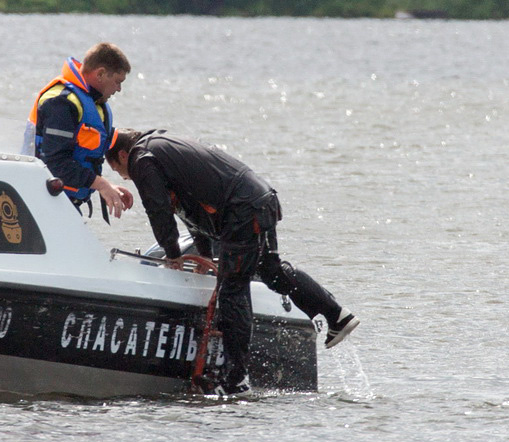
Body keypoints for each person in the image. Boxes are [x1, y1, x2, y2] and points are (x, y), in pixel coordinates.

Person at [106, 128, 359, 395]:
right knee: (271, 272)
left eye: (118, 169)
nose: (125, 177)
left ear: (122, 154)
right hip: (259, 199)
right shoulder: (160, 145)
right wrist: (203, 255)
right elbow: (192, 207)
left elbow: (158, 209)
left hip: (242, 209)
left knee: (232, 289)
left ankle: (236, 380)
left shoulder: (141, 158)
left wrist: (172, 253)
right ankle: (336, 314)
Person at [28, 43, 133, 220]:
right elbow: (55, 164)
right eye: (117, 81)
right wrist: (101, 184)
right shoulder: (61, 103)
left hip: (64, 203)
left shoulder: (94, 104)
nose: (118, 89)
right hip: (42, 204)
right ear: (100, 74)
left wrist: (106, 187)